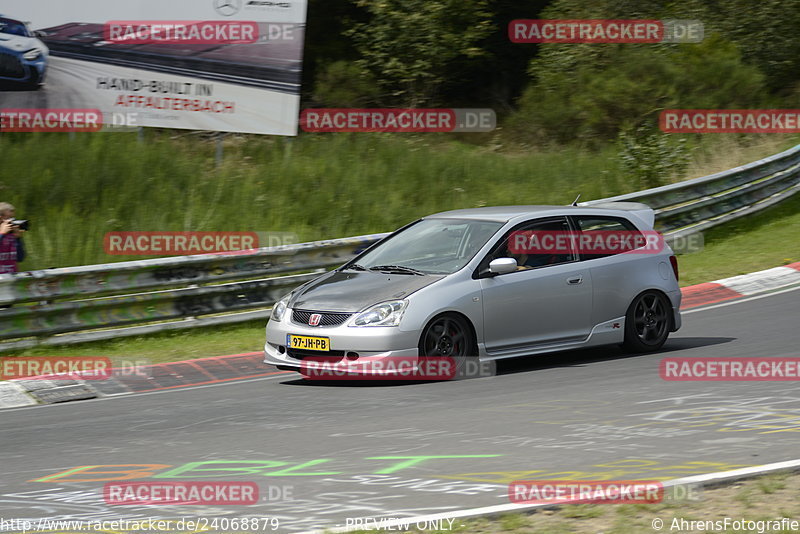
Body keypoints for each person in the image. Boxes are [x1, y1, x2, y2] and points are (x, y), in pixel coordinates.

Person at [0, 202, 26, 275]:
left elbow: (20, 258)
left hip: (11, 278)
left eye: (13, 218)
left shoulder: (11, 234)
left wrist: (18, 238)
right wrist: (1, 234)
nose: (11, 222)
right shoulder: (2, 233)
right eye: (8, 218)